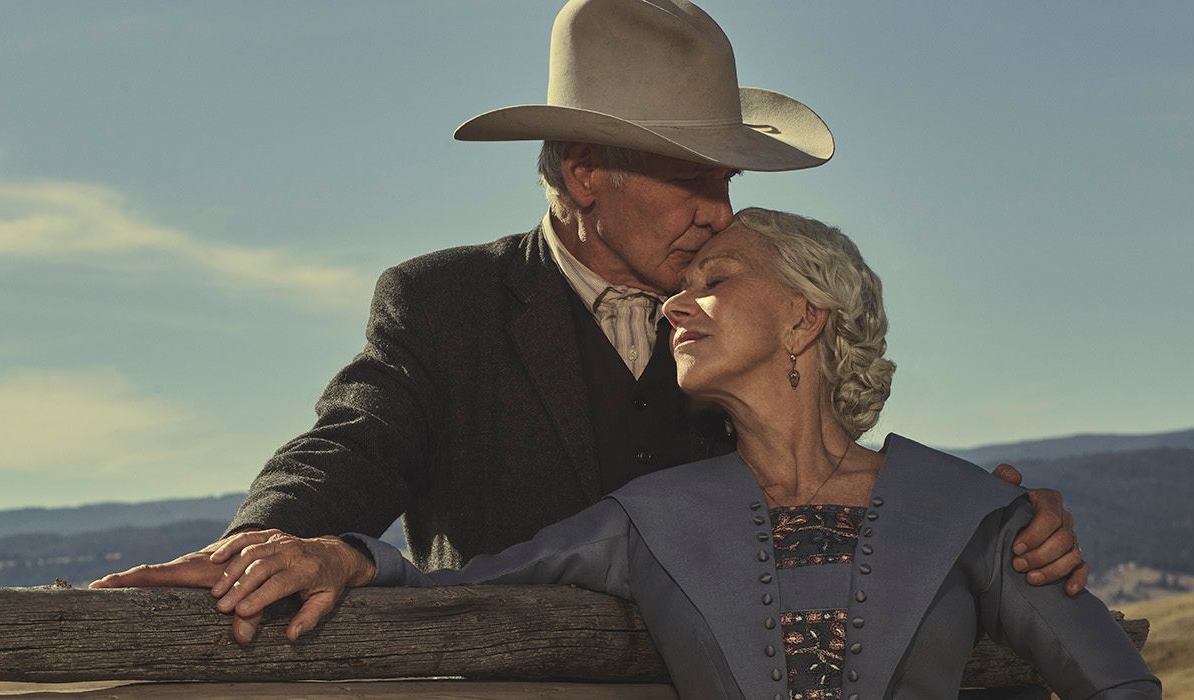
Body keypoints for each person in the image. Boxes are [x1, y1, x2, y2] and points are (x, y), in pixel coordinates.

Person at [92, 0, 1087, 637]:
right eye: (692, 178)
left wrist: (996, 526)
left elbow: (827, 477)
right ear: (582, 173)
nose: (718, 212)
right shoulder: (442, 306)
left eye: (726, 181)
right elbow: (353, 443)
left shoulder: (741, 318)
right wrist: (272, 537)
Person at [191, 208, 1160, 699]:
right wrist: (339, 550)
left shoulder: (971, 512)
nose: (673, 300)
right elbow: (461, 584)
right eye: (679, 282)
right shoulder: (645, 518)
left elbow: (1117, 686)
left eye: (716, 279)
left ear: (801, 317)